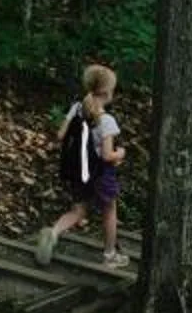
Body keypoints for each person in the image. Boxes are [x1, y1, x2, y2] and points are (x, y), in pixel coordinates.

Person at [37, 63, 127, 268]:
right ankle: (110, 254)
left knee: (78, 210)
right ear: (106, 92)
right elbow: (106, 155)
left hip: (79, 170)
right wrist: (120, 153)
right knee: (109, 210)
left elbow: (61, 135)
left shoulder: (77, 108)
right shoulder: (107, 121)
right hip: (101, 173)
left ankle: (53, 232)